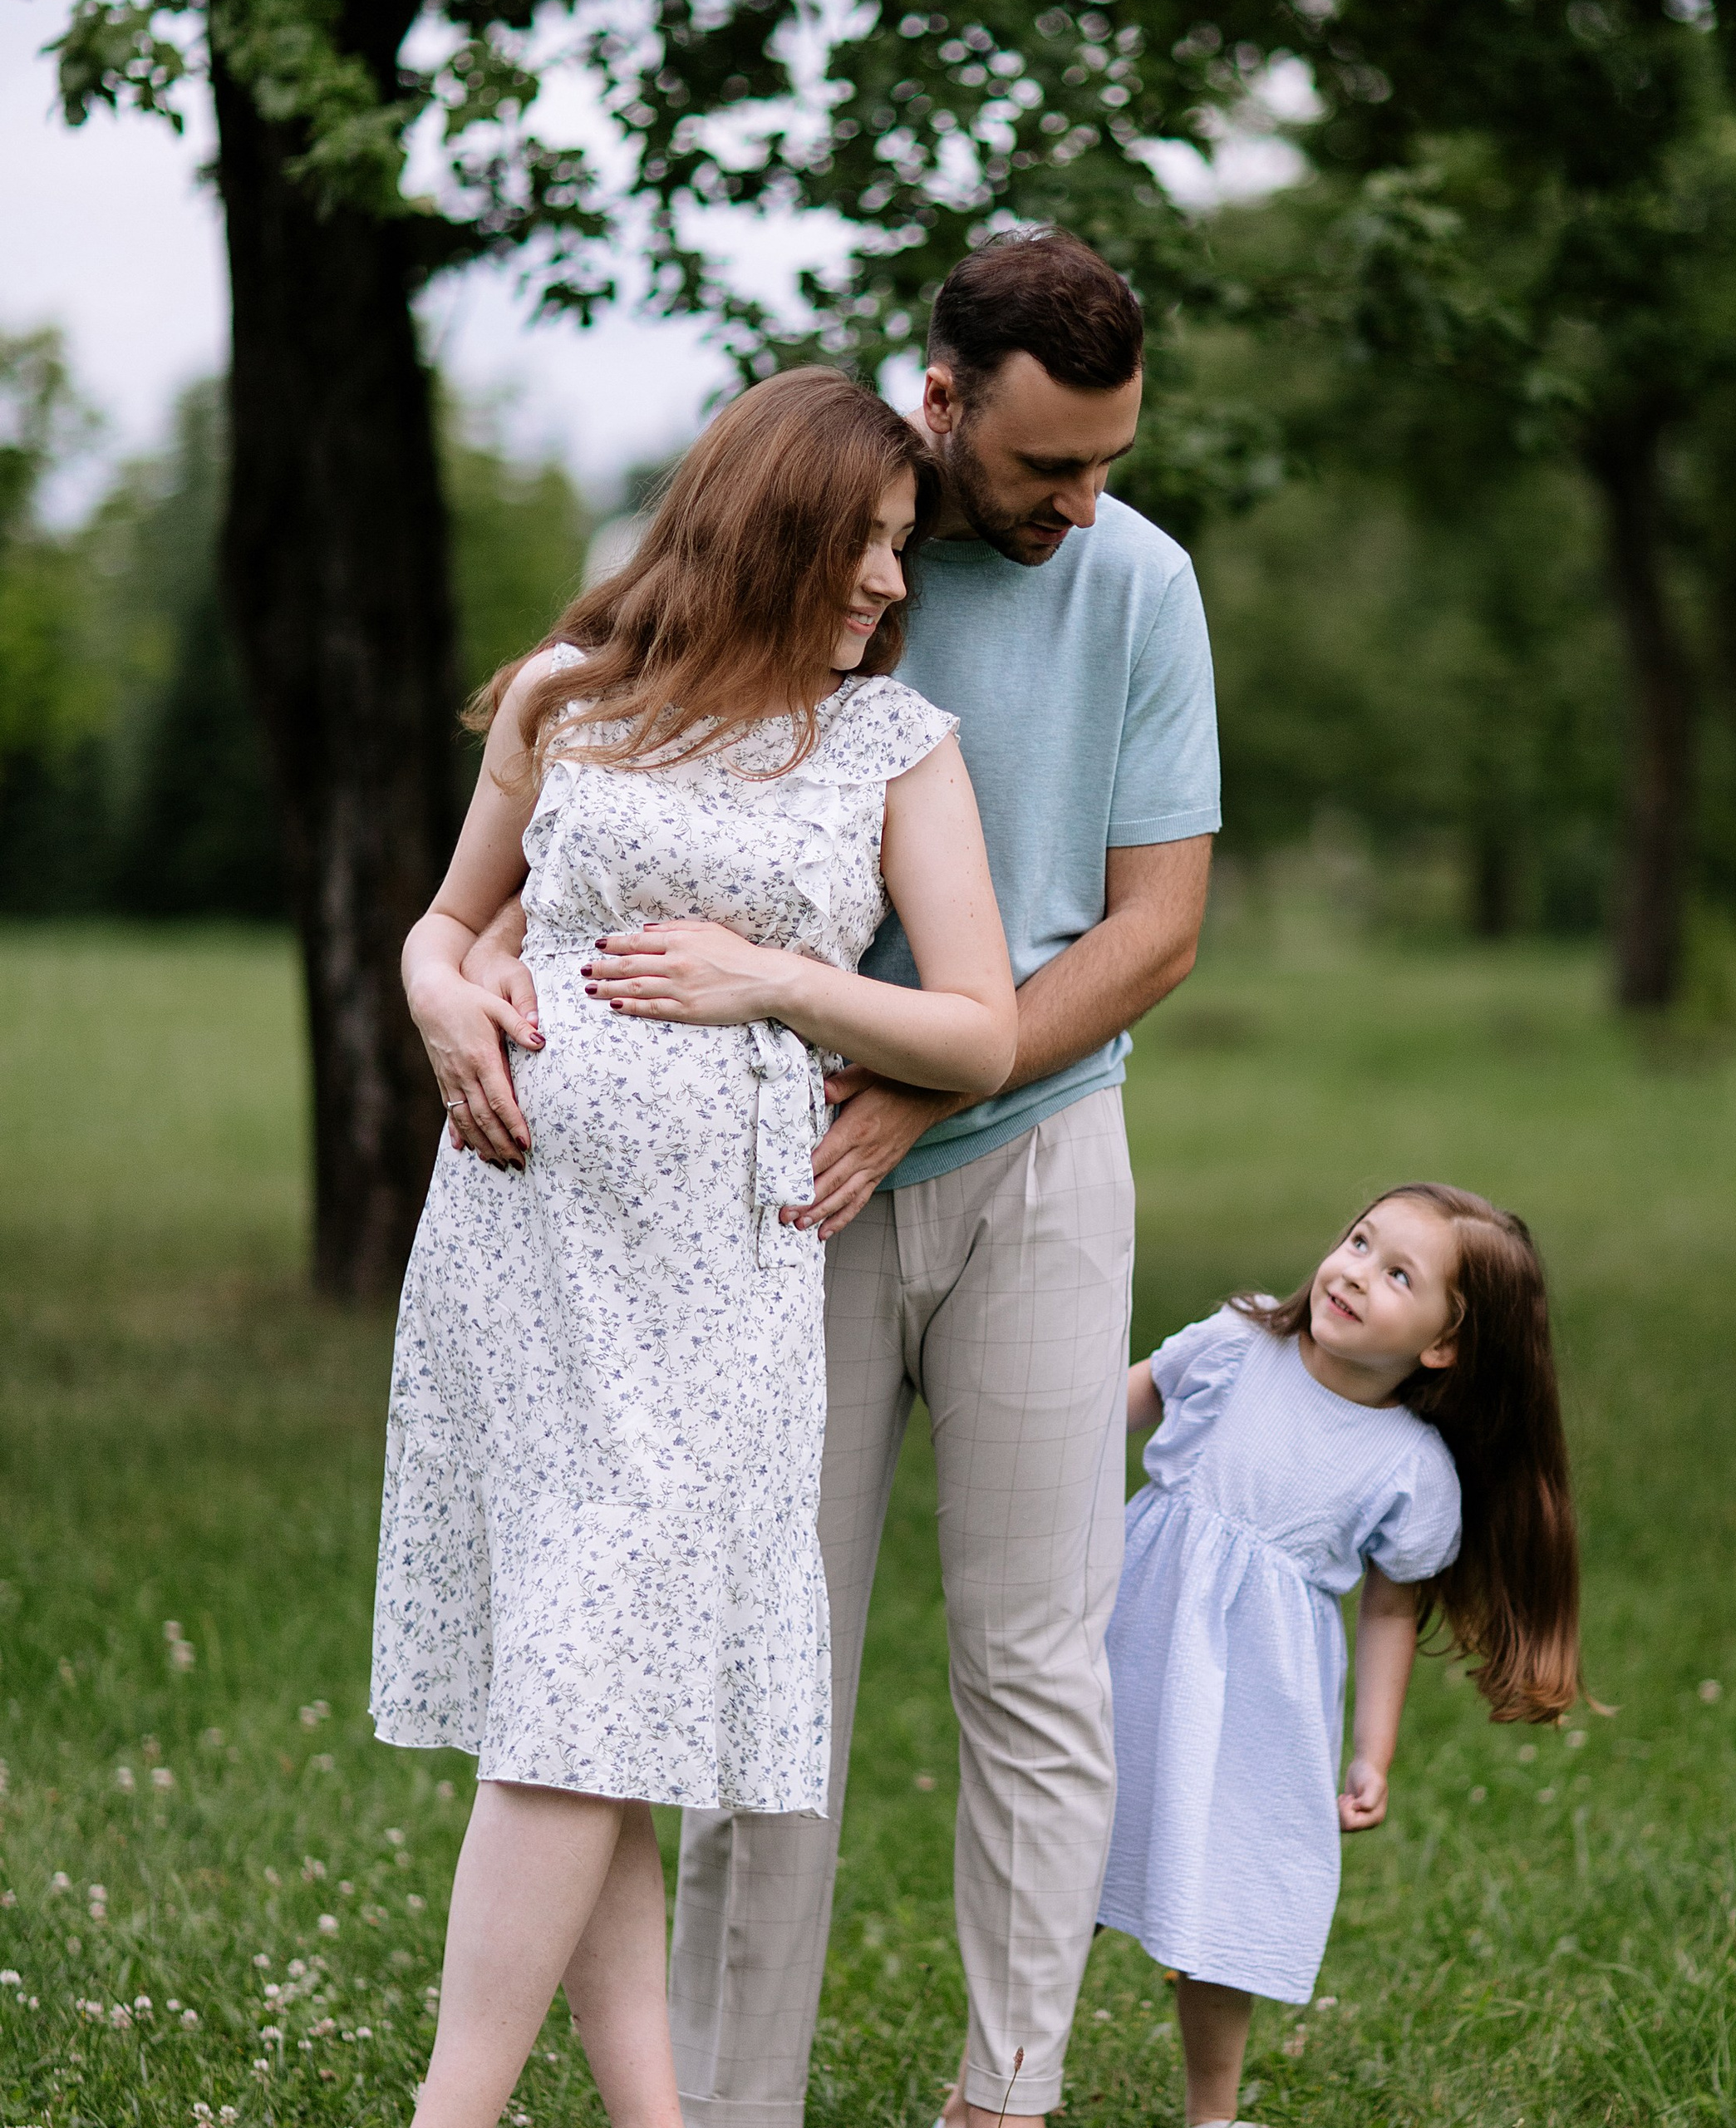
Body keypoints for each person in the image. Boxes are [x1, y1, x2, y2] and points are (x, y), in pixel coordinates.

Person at [455, 227, 1221, 2128]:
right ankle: (724, 2098)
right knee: (757, 1640)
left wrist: (917, 1075)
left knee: (1032, 1641)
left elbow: (1156, 928)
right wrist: (431, 959)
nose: (1080, 499)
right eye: (1046, 463)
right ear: (942, 401)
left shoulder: (1137, 583)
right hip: (777, 1189)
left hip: (1032, 1145)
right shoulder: (825, 536)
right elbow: (568, 806)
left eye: (1108, 457)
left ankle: (1006, 2091)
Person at [375, 365, 1017, 2128]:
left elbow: (977, 1027)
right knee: (598, 1688)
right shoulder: (569, 698)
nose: (893, 585)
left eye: (901, 550)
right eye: (867, 546)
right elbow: (448, 920)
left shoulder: (892, 744)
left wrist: (781, 984)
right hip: (520, 1244)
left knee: (596, 1677)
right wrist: (445, 1000)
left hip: (715, 1278)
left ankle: (455, 2110)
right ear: (768, 525)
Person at [1100, 1184, 1587, 2128]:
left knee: (1226, 1896)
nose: (1356, 1273)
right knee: (1060, 1856)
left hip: (1256, 1703)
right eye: (1359, 1242)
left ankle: (1213, 2112)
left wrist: (1373, 1749)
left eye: (1397, 1273)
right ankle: (993, 2083)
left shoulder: (1408, 1466)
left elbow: (1389, 1609)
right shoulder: (1240, 1343)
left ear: (1443, 1343)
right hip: (1130, 1646)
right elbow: (1122, 1399)